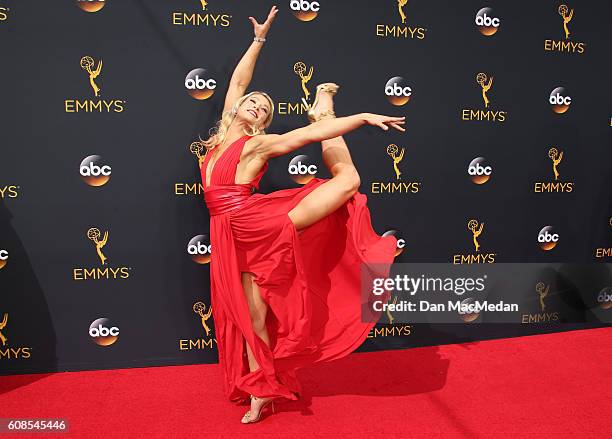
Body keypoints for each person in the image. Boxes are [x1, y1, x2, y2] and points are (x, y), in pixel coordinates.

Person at [199, 6, 404, 423]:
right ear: (238, 109)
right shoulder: (223, 133)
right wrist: (258, 40)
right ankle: (261, 390)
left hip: (261, 224)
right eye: (252, 102)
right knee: (253, 316)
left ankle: (324, 107)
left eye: (263, 109)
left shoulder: (257, 145)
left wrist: (361, 117)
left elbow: (305, 137)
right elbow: (239, 81)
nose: (255, 105)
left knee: (348, 182)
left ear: (262, 125)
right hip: (227, 234)